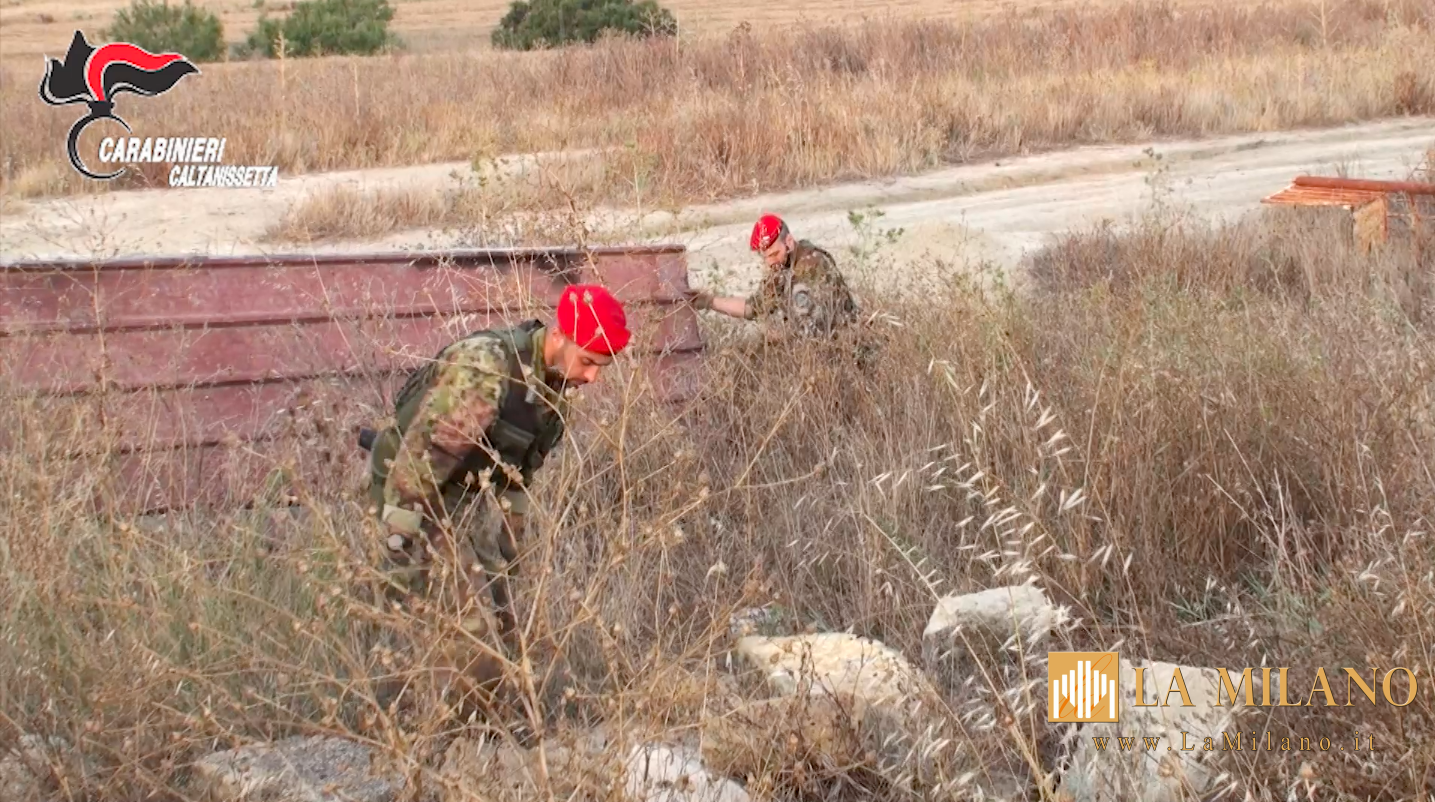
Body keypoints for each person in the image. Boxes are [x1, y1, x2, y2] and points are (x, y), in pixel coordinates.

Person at [357, 283, 631, 732]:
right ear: (559, 336)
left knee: (507, 616)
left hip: (460, 490)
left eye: (601, 367)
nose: (593, 378)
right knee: (467, 624)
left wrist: (508, 547)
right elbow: (423, 457)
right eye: (588, 362)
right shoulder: (488, 368)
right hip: (412, 487)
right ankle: (460, 736)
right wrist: (400, 533)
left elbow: (517, 474)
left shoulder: (551, 389)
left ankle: (498, 720)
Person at [688, 214, 861, 340]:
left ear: (789, 242)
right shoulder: (782, 266)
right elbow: (752, 308)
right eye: (766, 257)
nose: (770, 262)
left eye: (774, 254)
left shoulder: (812, 265)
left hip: (843, 344)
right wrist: (710, 302)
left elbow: (813, 329)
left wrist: (777, 337)